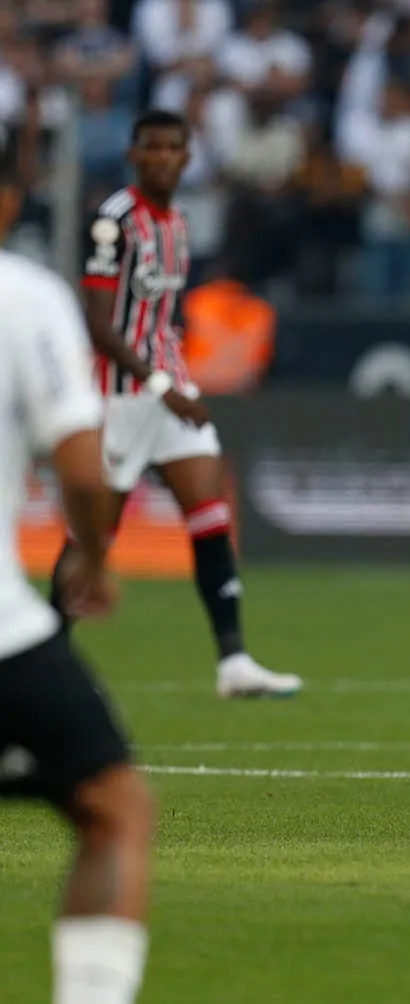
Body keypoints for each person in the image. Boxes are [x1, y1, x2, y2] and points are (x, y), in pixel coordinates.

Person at [51, 109, 300, 698]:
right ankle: (37, 674)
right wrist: (161, 385)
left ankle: (233, 661)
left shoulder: (179, 224)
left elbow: (165, 314)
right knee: (91, 538)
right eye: (152, 148)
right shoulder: (115, 222)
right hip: (121, 397)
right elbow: (98, 320)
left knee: (209, 511)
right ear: (135, 155)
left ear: (188, 158)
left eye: (173, 148)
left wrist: (178, 379)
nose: (163, 157)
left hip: (170, 391)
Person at [0, 138, 154, 1004]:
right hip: (3, 634)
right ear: (10, 201)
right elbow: (83, 466)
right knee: (114, 809)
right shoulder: (24, 298)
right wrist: (92, 561)